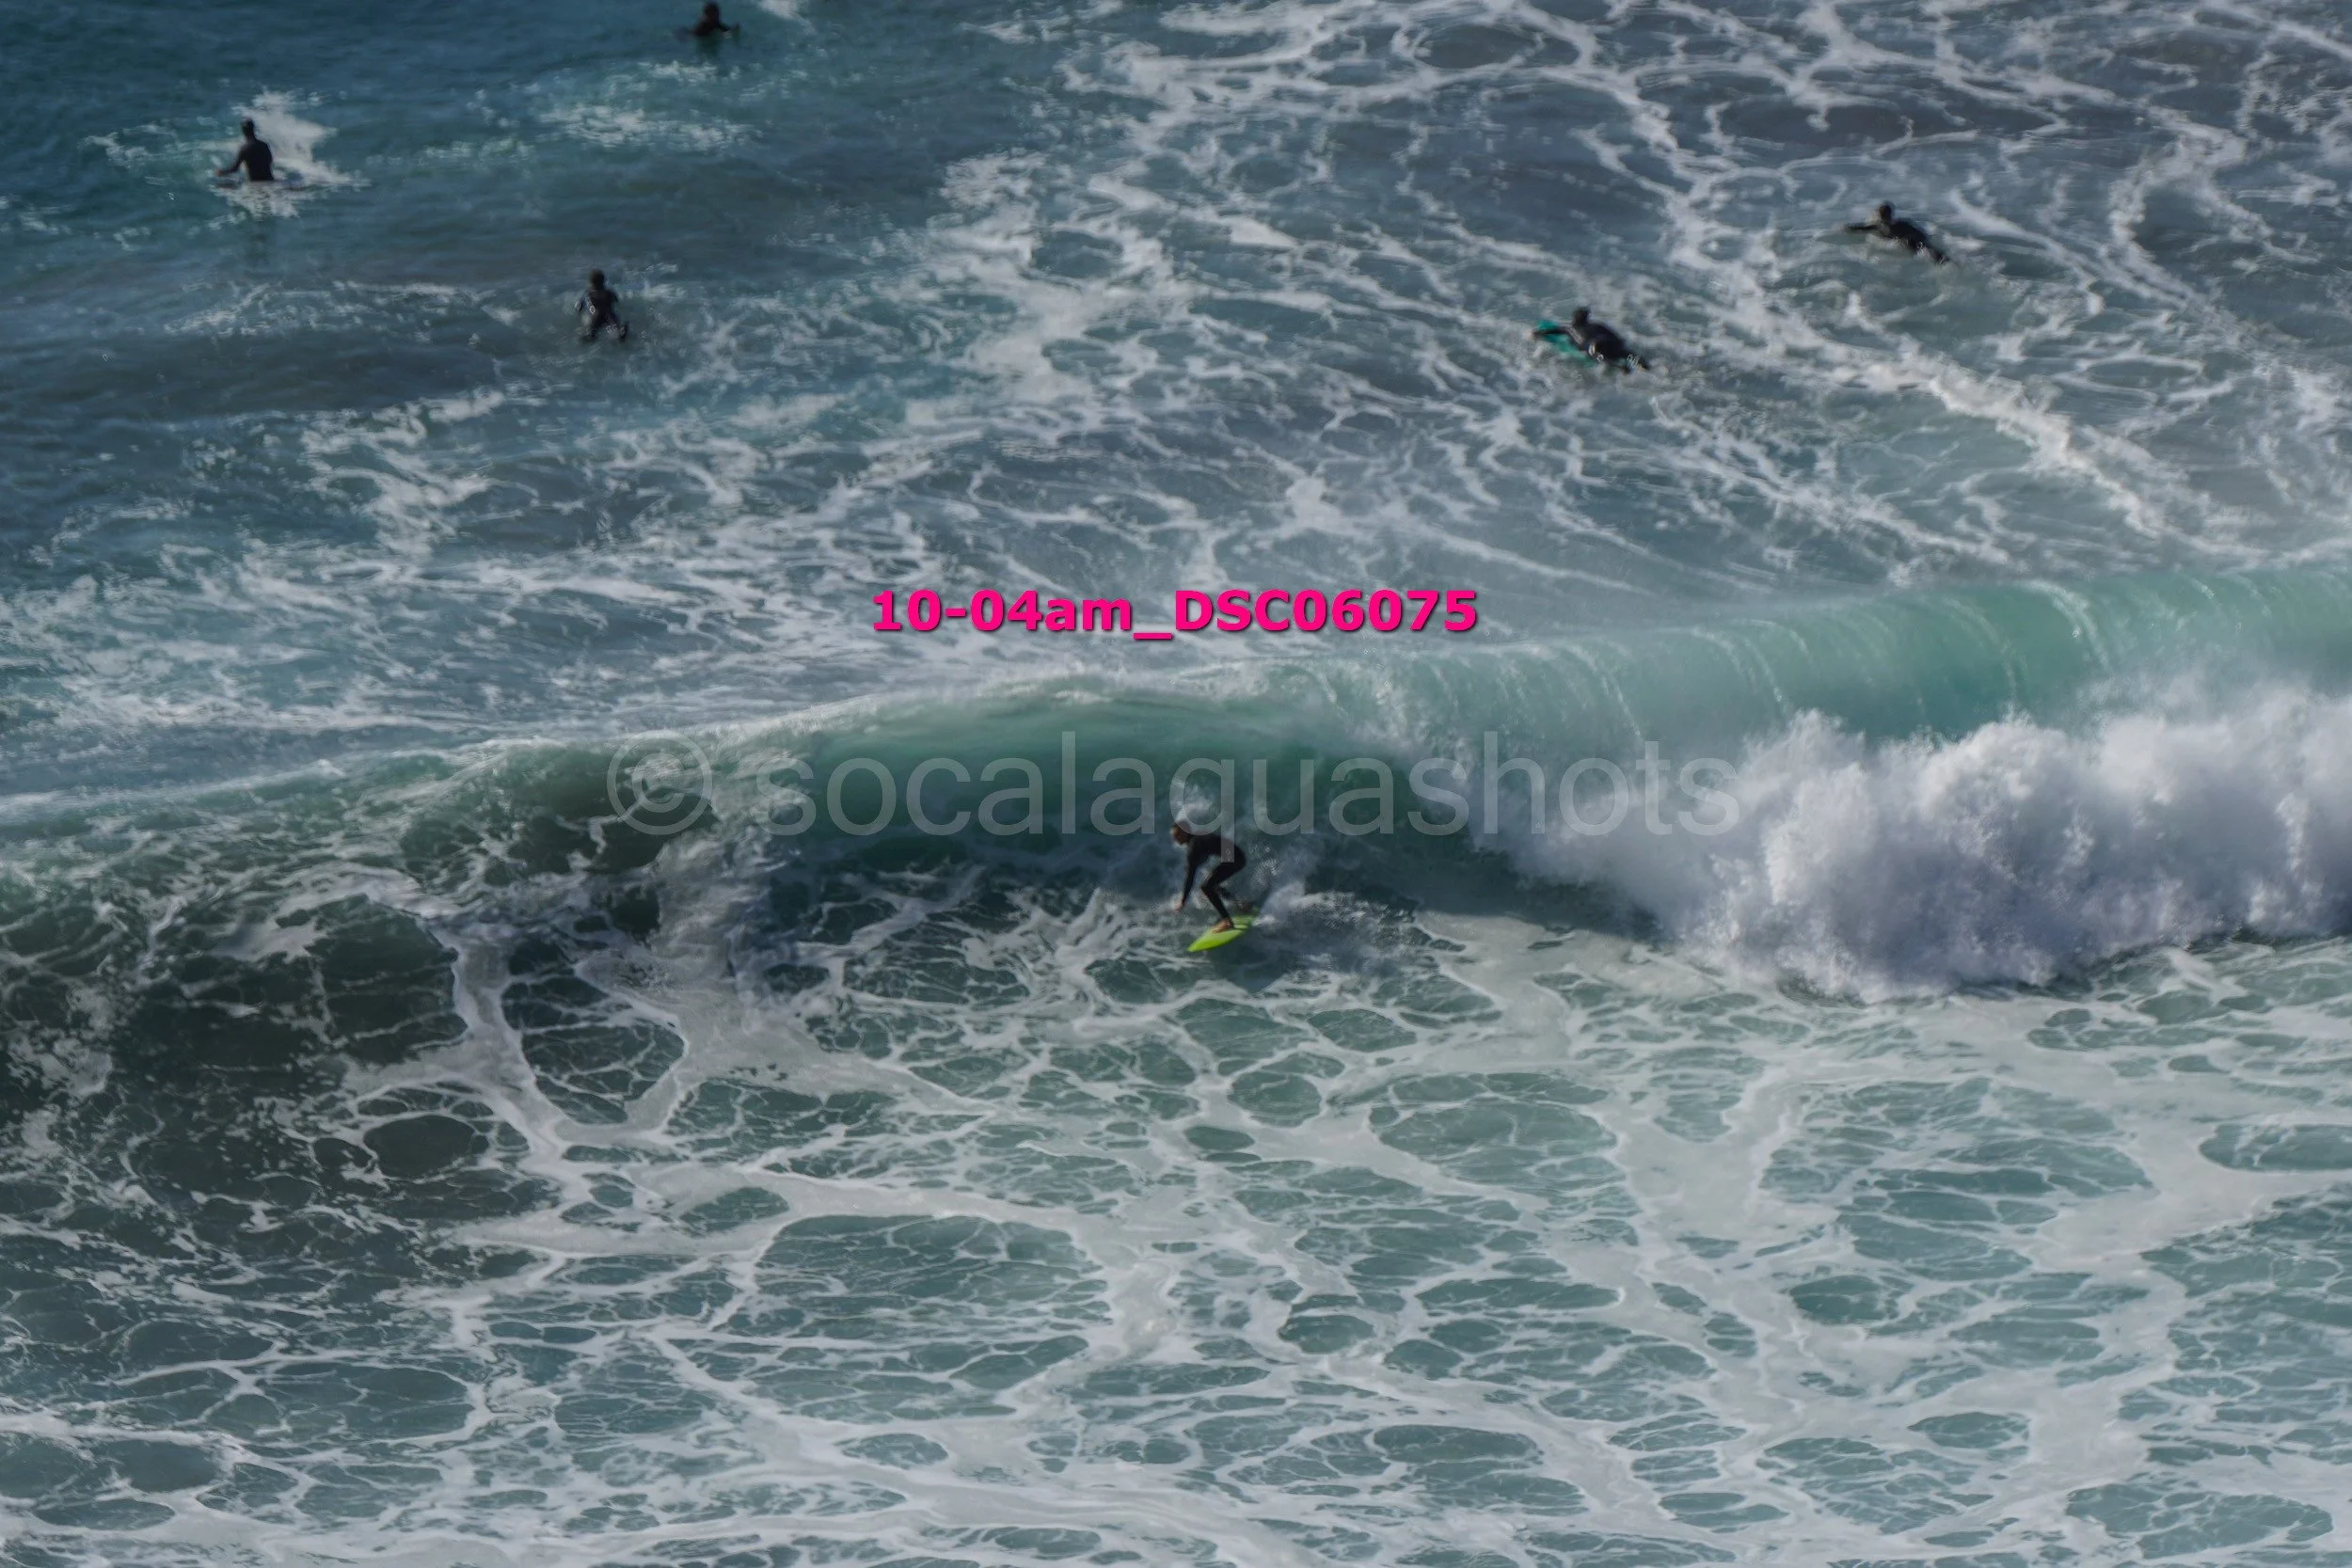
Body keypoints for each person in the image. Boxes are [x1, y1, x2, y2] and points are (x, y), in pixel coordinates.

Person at [1171, 820, 1248, 933]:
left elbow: (1190, 878)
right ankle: (1241, 904)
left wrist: (1183, 901)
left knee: (1206, 887)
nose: (1175, 839)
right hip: (1239, 856)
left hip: (1235, 860)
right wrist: (1192, 865)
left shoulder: (1193, 846)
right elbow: (1205, 854)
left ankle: (1227, 922)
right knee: (1212, 884)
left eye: (1177, 835)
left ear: (1184, 832)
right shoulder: (1198, 837)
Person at [1535, 307, 1648, 372]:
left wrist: (1538, 333)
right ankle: (1644, 365)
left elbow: (1552, 331)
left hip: (1594, 346)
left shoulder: (1569, 328)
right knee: (1626, 354)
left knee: (1599, 357)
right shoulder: (1597, 325)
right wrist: (1619, 343)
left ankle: (1620, 367)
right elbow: (1616, 337)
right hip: (1608, 341)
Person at [1847, 201, 1947, 263]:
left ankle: (1943, 261)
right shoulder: (1900, 223)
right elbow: (1861, 228)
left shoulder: (1879, 225)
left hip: (1909, 241)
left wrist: (1848, 229)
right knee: (1929, 251)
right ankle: (1945, 261)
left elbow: (1861, 228)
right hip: (1911, 240)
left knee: (1925, 250)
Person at [215, 119, 275, 184]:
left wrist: (222, 172)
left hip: (255, 184)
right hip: (270, 180)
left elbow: (235, 169)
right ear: (253, 129)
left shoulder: (244, 148)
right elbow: (270, 160)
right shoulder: (264, 145)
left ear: (243, 132)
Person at [577, 270, 629, 342]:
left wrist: (579, 313)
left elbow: (579, 307)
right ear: (603, 281)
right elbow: (617, 301)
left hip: (596, 314)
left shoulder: (588, 293)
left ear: (591, 283)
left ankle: (591, 336)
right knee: (615, 325)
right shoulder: (609, 292)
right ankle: (621, 331)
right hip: (609, 312)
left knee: (592, 330)